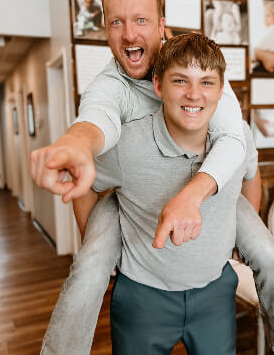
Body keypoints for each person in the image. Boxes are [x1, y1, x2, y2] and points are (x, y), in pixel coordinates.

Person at [33, 0, 274, 355]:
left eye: (140, 20)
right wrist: (78, 145)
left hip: (211, 182)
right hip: (131, 187)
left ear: (161, 25)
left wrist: (229, 232)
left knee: (270, 254)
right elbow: (96, 120)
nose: (129, 34)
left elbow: (236, 144)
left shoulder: (196, 65)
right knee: (90, 267)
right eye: (117, 23)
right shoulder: (111, 86)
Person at [79, 33, 258, 354]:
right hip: (142, 296)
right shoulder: (126, 144)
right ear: (158, 86)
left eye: (206, 82)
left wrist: (239, 243)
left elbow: (251, 176)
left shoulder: (238, 136)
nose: (194, 95)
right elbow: (84, 182)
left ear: (221, 91)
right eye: (180, 81)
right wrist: (99, 252)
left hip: (215, 291)